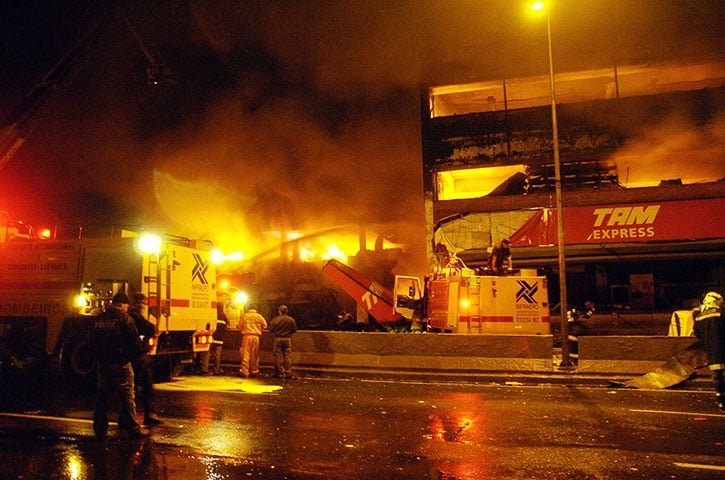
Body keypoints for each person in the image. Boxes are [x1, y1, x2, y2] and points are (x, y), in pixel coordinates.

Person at [90, 291, 149, 439]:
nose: (127, 308)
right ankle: (133, 429)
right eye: (126, 306)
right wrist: (141, 350)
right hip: (121, 363)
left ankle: (99, 427)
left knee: (102, 395)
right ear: (122, 304)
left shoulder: (99, 319)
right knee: (127, 395)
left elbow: (91, 340)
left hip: (103, 363)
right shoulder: (124, 319)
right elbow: (133, 339)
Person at [128, 293, 162, 426]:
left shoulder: (134, 316)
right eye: (139, 302)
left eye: (143, 302)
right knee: (136, 387)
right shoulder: (133, 316)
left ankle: (147, 414)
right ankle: (134, 417)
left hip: (139, 355)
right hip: (135, 355)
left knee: (144, 385)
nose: (142, 305)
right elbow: (149, 327)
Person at [692, 291, 725, 410]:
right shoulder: (721, 313)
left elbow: (697, 333)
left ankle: (721, 401)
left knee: (717, 376)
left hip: (712, 352)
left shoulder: (699, 317)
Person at [202, 290, 237, 375]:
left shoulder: (212, 315)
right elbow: (228, 324)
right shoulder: (224, 316)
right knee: (217, 355)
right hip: (220, 338)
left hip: (211, 336)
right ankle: (216, 370)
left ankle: (204, 369)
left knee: (207, 353)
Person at [268, 305, 297, 379]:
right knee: (287, 356)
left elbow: (271, 329)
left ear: (279, 311)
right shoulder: (291, 320)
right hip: (287, 339)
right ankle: (288, 372)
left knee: (277, 356)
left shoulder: (275, 319)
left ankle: (279, 372)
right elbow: (294, 329)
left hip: (277, 339)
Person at [238, 304, 267, 378]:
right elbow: (265, 325)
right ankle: (254, 370)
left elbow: (239, 326)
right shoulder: (259, 316)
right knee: (255, 354)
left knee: (246, 353)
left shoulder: (245, 316)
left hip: (247, 336)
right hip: (256, 336)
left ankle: (245, 370)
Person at [567, 301, 595, 365]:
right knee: (574, 350)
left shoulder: (574, 312)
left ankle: (574, 361)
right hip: (574, 333)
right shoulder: (574, 312)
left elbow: (585, 317)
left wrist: (592, 310)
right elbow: (582, 319)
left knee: (574, 350)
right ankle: (574, 362)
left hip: (574, 333)